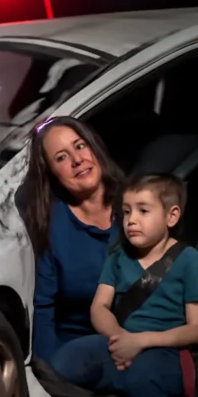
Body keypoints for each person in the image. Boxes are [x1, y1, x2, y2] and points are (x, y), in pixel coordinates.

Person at [50, 174, 198, 397]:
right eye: (126, 212)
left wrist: (140, 342)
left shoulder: (189, 260)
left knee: (142, 376)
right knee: (66, 360)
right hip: (120, 341)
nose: (131, 220)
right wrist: (120, 338)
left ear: (171, 216)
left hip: (167, 351)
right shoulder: (118, 257)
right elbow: (99, 307)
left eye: (143, 211)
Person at [22, 116, 125, 363]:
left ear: (93, 147)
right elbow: (44, 310)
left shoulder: (137, 204)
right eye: (62, 157)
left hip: (145, 340)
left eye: (79, 146)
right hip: (83, 353)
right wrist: (48, 375)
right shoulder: (51, 226)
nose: (77, 160)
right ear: (52, 174)